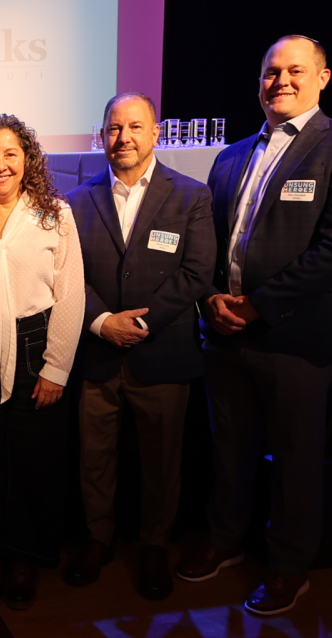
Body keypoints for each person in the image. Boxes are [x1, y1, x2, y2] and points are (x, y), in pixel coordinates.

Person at [178, 36, 332, 615]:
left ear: (323, 78)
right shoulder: (230, 154)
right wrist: (211, 299)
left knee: (294, 459)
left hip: (295, 336)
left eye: (296, 70)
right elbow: (208, 243)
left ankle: (289, 566)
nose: (281, 81)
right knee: (229, 450)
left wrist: (260, 304)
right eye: (272, 72)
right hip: (223, 332)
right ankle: (224, 541)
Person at [64, 93, 216, 601]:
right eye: (113, 128)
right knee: (95, 458)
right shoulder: (77, 201)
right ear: (101, 136)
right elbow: (67, 276)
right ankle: (98, 539)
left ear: (155, 133)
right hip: (97, 351)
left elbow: (196, 273)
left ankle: (154, 546)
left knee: (161, 460)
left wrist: (141, 325)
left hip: (163, 355)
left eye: (134, 127)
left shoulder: (191, 195)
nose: (123, 137)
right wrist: (103, 321)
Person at [0, 114, 85, 611]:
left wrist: (55, 367)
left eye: (10, 154)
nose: (0, 165)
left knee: (34, 464)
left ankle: (25, 557)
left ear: (28, 160)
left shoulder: (55, 215)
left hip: (34, 344)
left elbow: (70, 295)